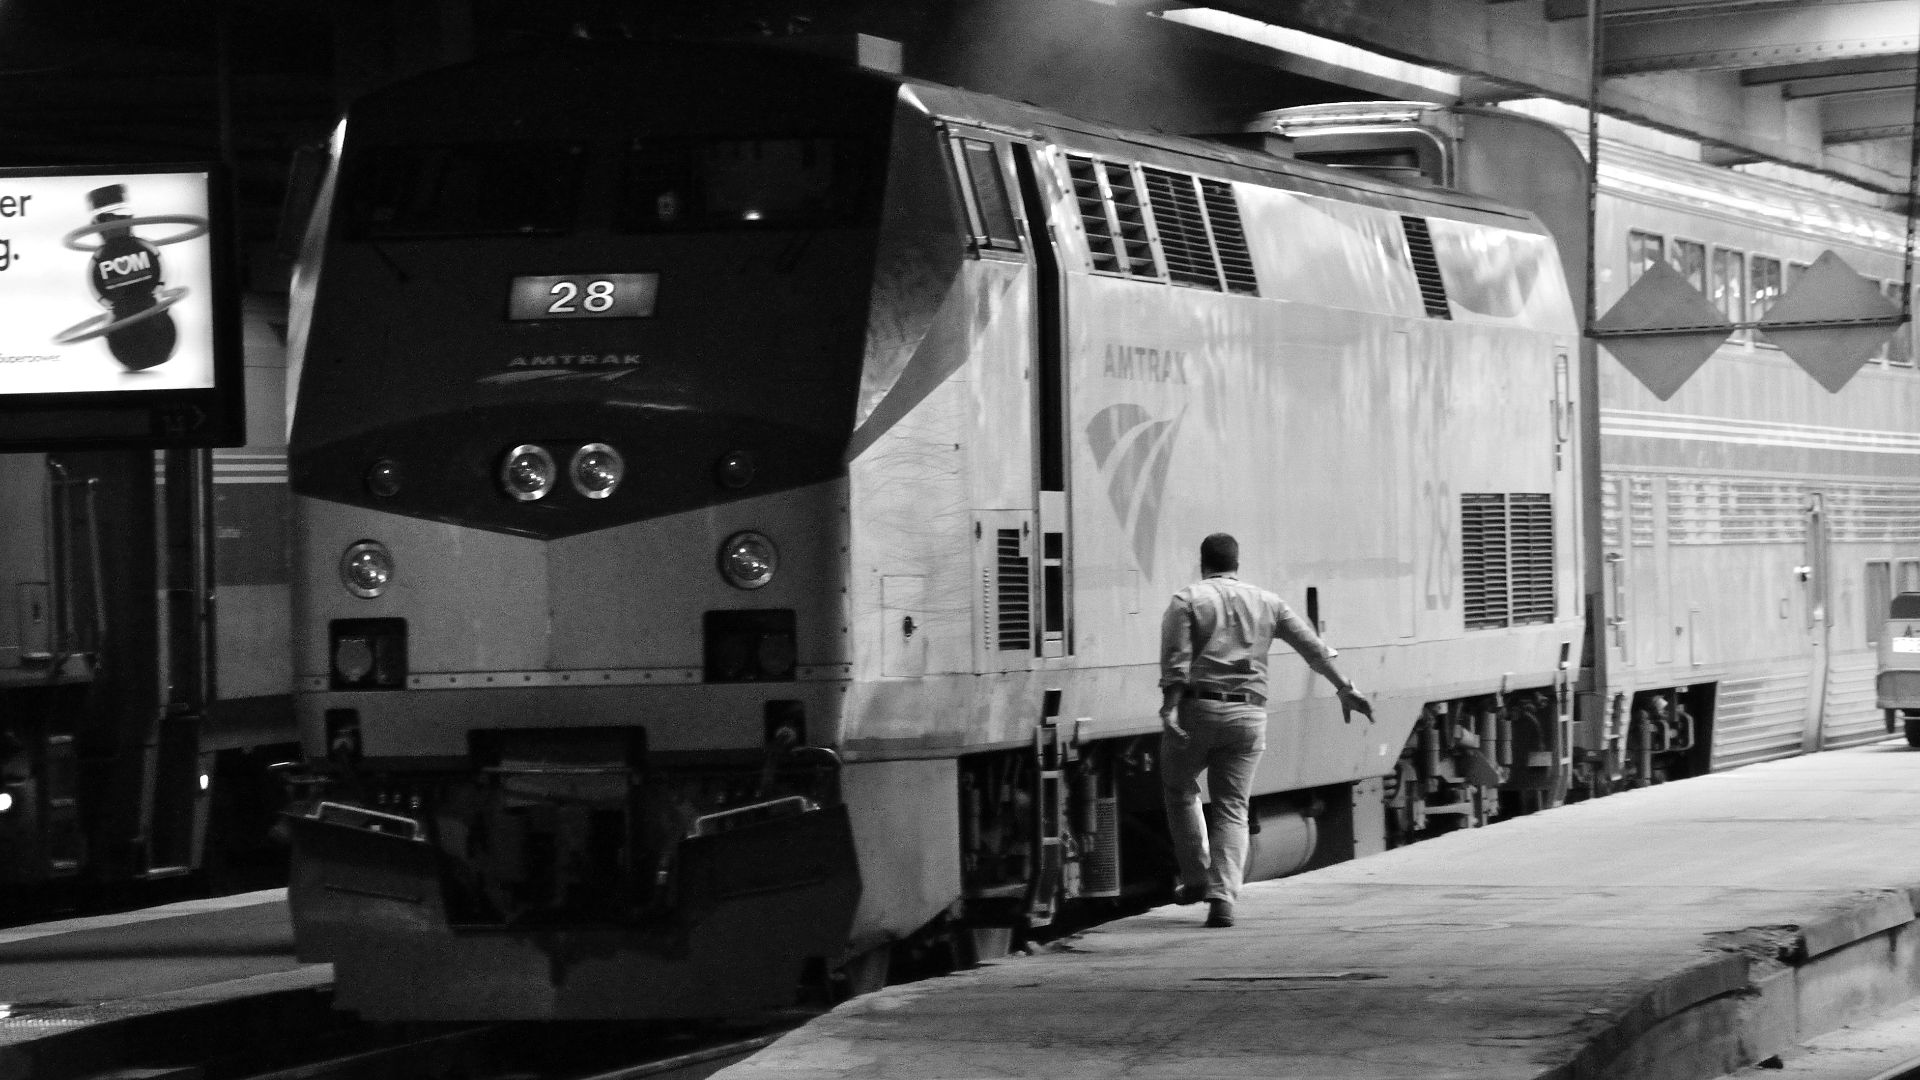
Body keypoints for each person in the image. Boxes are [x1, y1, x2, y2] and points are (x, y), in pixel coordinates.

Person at [1158, 532, 1372, 928]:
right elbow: (1313, 648)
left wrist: (1170, 708)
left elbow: (1176, 660)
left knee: (1179, 786)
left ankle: (1194, 879)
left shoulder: (1187, 600)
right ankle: (1223, 898)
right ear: (1237, 563)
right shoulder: (1268, 602)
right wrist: (1345, 687)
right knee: (1232, 808)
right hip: (1249, 716)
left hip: (1198, 710)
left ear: (1202, 563)